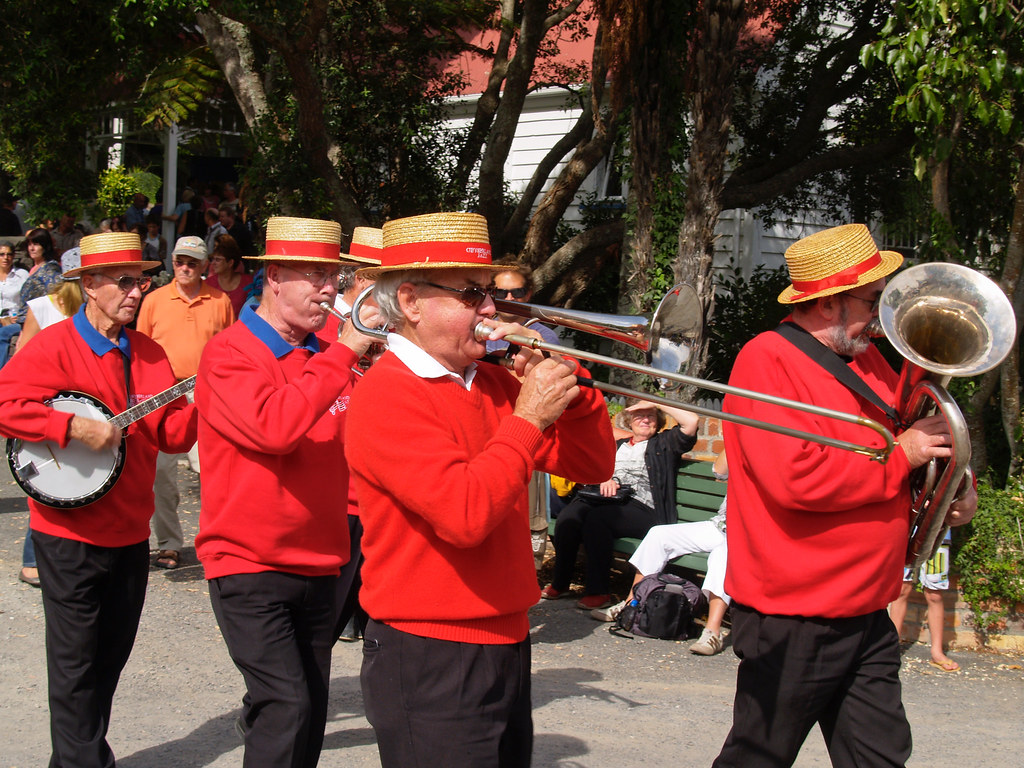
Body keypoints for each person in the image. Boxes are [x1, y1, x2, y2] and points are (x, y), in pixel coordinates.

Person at [345, 211, 615, 768]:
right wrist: (530, 417)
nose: (491, 311)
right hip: (429, 648)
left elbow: (591, 463)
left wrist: (576, 391)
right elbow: (466, 514)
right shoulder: (386, 395)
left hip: (506, 636)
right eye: (472, 294)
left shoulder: (494, 383)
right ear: (413, 302)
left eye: (489, 293)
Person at [712, 223, 978, 768]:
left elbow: (912, 435)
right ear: (829, 303)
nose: (884, 315)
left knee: (880, 757)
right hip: (797, 612)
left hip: (863, 606)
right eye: (873, 300)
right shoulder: (767, 359)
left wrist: (954, 486)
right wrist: (903, 456)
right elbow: (795, 479)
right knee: (757, 758)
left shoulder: (867, 358)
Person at [0, 231, 196, 768]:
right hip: (67, 536)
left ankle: (76, 756)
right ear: (89, 285)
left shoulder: (150, 353)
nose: (137, 291)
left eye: (142, 280)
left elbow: (173, 435)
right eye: (124, 281)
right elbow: (4, 403)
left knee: (108, 660)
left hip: (131, 532)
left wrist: (200, 404)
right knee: (73, 663)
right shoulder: (56, 345)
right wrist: (68, 427)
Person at [194, 216, 379, 768]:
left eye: (333, 274)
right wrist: (344, 354)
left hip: (321, 560)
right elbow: (276, 429)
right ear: (273, 277)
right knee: (286, 703)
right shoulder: (229, 353)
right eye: (314, 274)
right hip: (249, 562)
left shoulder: (329, 353)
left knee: (307, 711)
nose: (328, 287)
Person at [542, 398, 700, 609]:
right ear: (629, 421)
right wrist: (604, 477)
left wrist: (656, 402)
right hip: (606, 501)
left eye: (650, 416)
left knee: (598, 521)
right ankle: (561, 583)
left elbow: (691, 421)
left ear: (658, 421)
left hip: (644, 508)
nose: (645, 420)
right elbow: (591, 467)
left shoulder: (664, 444)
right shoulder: (617, 445)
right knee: (569, 518)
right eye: (639, 416)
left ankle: (598, 591)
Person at [136, 236, 234, 570]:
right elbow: (139, 351)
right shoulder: (153, 300)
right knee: (161, 474)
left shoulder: (220, 301)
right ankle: (169, 543)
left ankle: (216, 543)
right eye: (180, 261)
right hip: (163, 394)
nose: (185, 268)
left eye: (193, 262)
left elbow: (230, 351)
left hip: (204, 391)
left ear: (206, 266)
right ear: (172, 261)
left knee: (211, 471)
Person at [591, 450, 731, 655]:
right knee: (659, 535)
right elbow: (719, 471)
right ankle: (632, 605)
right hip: (722, 525)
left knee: (722, 554)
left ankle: (712, 631)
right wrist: (735, 436)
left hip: (750, 534)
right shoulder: (743, 446)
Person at [13, 248, 86, 587]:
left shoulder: (94, 313)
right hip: (46, 414)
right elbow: (21, 358)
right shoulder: (42, 307)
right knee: (44, 485)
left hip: (85, 413)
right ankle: (31, 559)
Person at [889, 530, 960, 671]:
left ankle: (937, 652)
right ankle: (891, 649)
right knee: (902, 589)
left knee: (934, 594)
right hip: (907, 532)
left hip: (939, 535)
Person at [16, 227, 64, 325]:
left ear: (45, 246)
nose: (31, 248)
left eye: (36, 244)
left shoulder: (51, 270)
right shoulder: (34, 268)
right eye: (29, 244)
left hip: (41, 322)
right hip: (26, 319)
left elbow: (58, 296)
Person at [205, 233, 253, 318]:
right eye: (212, 259)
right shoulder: (207, 284)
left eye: (218, 260)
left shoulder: (248, 283)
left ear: (230, 262)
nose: (213, 263)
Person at [0, 242, 29, 367]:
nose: (6, 258)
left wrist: (20, 316)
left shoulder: (22, 275)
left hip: (15, 319)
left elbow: (29, 300)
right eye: (2, 254)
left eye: (9, 254)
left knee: (3, 333)